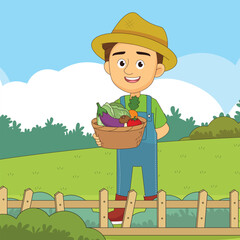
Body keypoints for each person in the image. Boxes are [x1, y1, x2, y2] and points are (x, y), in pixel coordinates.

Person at [91, 12, 177, 224]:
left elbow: (165, 127)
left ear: (157, 69)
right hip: (124, 149)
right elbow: (107, 127)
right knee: (123, 179)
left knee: (150, 178)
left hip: (148, 147)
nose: (130, 70)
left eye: (140, 63)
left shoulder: (151, 103)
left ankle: (152, 210)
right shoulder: (116, 104)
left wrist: (149, 136)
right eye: (121, 62)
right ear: (109, 66)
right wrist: (103, 139)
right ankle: (120, 210)